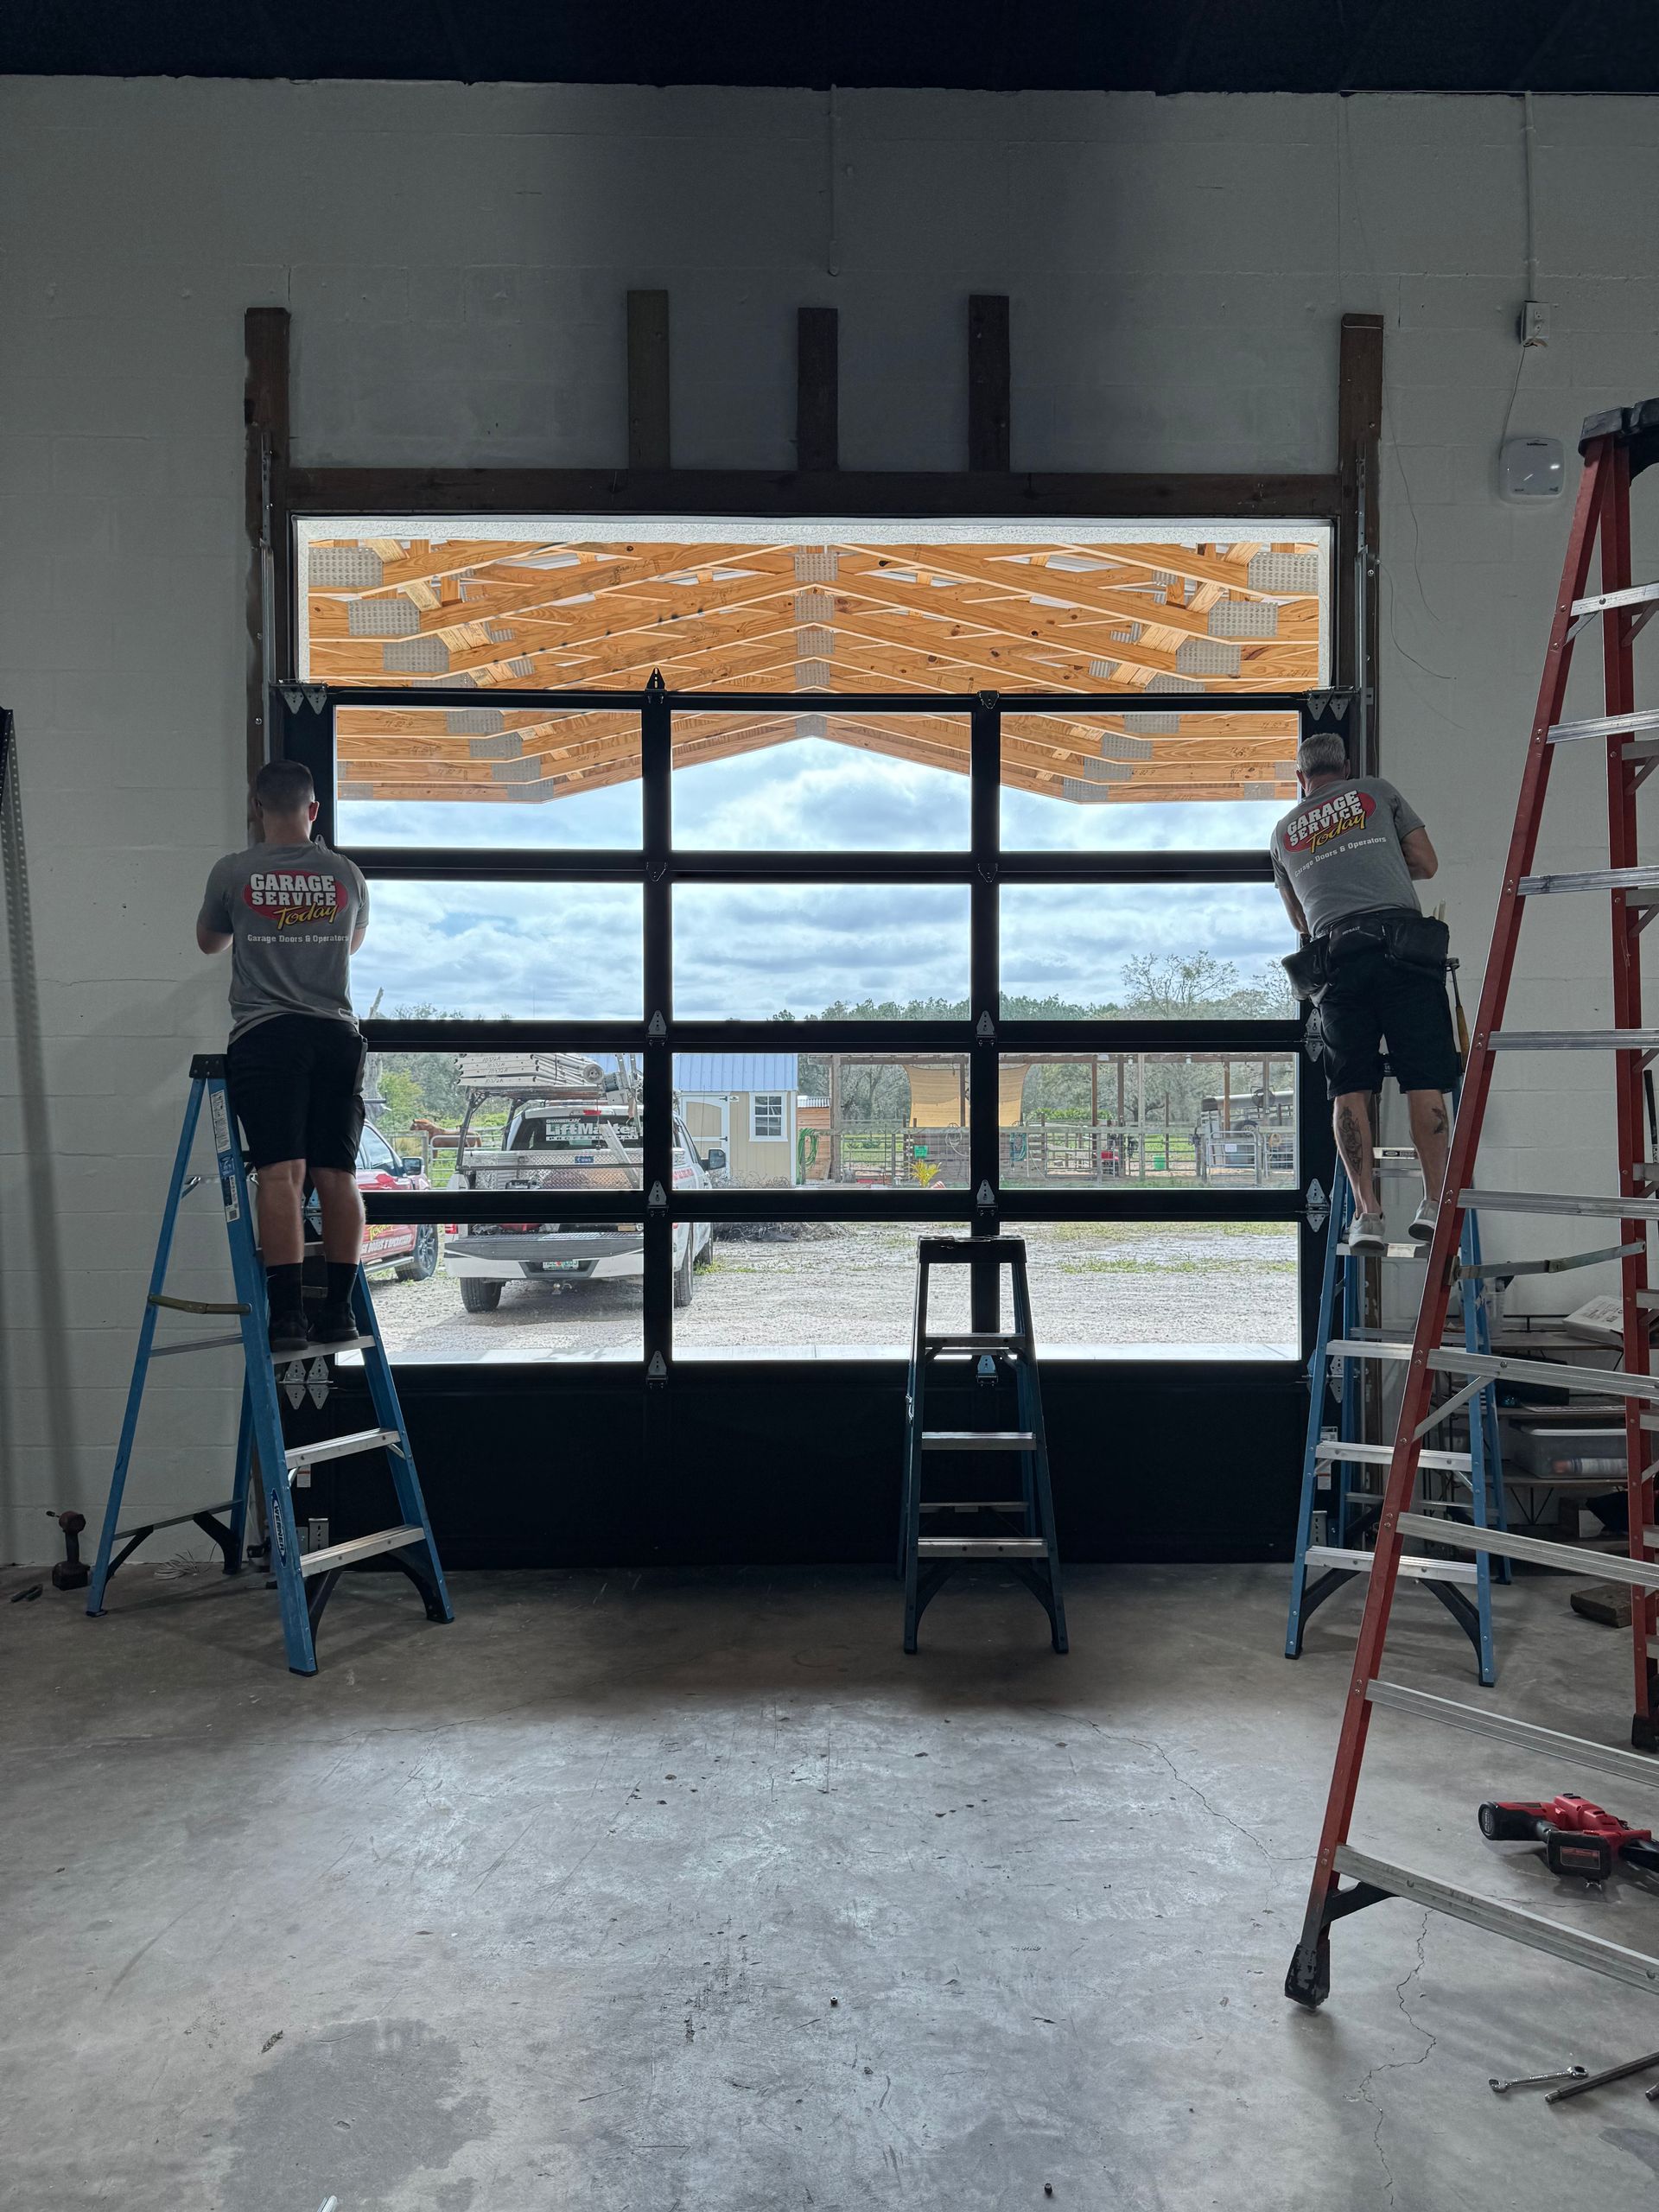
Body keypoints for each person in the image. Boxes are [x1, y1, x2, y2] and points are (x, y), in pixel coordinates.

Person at [196, 760, 371, 1352]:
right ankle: (340, 1314)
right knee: (337, 1176)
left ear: (256, 808)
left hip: (268, 1035)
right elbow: (351, 944)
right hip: (335, 1036)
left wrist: (259, 923)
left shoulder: (233, 871)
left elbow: (209, 941)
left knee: (281, 1174)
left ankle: (289, 1317)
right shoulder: (346, 873)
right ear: (313, 810)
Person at [1270, 731, 1459, 1255]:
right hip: (1403, 951)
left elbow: (1301, 920)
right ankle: (1433, 1205)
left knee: (1349, 1087)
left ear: (1301, 779)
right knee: (1424, 1079)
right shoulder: (1376, 790)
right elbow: (1426, 862)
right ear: (1346, 767)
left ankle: (1367, 1216)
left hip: (1337, 963)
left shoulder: (1283, 833)